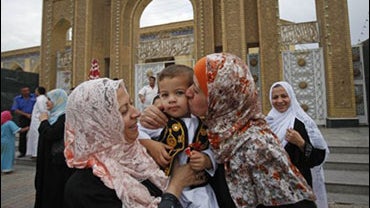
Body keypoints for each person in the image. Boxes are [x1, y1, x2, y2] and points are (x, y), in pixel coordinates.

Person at [140, 53, 318, 208]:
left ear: (220, 97)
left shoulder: (257, 147)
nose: (188, 94)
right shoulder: (219, 132)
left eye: (196, 89)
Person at [63, 78, 207, 208]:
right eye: (124, 111)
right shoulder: (85, 188)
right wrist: (175, 186)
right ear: (99, 125)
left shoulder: (140, 156)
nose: (136, 113)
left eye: (131, 104)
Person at [138, 64, 219, 208]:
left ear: (191, 92)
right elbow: (136, 132)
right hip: (169, 187)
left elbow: (215, 148)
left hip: (199, 189)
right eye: (165, 95)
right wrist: (151, 144)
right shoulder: (161, 121)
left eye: (179, 93)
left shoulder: (203, 122)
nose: (172, 100)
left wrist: (207, 160)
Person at [266, 81, 329, 208]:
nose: (280, 101)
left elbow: (318, 158)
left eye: (284, 96)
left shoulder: (302, 123)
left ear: (291, 97)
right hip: (274, 187)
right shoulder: (268, 122)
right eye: (275, 97)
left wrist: (301, 143)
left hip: (298, 189)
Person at [34, 88, 75, 208]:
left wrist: (44, 122)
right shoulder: (54, 116)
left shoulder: (63, 118)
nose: (47, 102)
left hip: (56, 166)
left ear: (59, 101)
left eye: (50, 100)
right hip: (47, 163)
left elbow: (50, 134)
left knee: (53, 194)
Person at [11, 86, 36, 158]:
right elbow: (15, 109)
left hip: (33, 117)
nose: (26, 92)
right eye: (24, 91)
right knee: (22, 135)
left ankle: (33, 152)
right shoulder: (17, 99)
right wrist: (26, 114)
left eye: (27, 90)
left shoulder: (34, 97)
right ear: (21, 92)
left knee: (34, 134)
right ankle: (22, 151)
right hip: (23, 117)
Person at [26, 86, 48, 158]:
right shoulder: (42, 99)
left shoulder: (40, 99)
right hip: (36, 120)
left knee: (36, 137)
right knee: (34, 136)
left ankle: (35, 153)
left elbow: (42, 110)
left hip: (38, 120)